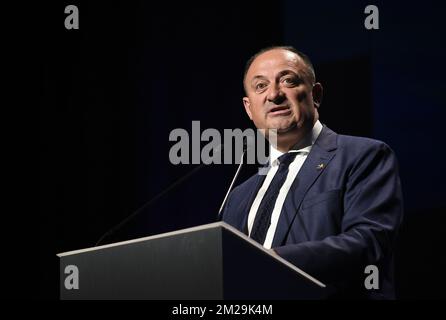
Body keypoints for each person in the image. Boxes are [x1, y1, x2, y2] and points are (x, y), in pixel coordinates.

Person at [220, 46, 403, 299]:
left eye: (288, 80)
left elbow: (369, 242)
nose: (274, 94)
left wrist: (270, 262)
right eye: (260, 86)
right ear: (249, 109)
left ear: (315, 94)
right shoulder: (238, 195)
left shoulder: (363, 156)